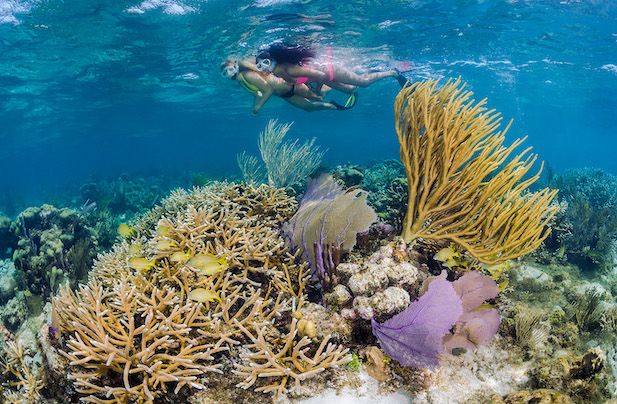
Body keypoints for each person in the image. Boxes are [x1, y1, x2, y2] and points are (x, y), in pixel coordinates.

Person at [255, 43, 407, 94]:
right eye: (259, 65)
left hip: (330, 71)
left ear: (272, 60)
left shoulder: (287, 69)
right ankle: (371, 72)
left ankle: (393, 72)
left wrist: (316, 89)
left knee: (364, 83)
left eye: (265, 63)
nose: (263, 68)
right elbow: (306, 78)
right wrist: (310, 85)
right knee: (351, 90)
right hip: (327, 77)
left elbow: (320, 75)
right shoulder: (279, 72)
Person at [221, 58, 349, 114]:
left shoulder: (247, 75)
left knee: (318, 96)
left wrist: (258, 106)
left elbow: (268, 89)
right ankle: (333, 106)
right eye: (225, 73)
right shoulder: (242, 81)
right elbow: (258, 93)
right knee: (309, 108)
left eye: (229, 69)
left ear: (235, 66)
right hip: (284, 94)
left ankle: (341, 81)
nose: (228, 73)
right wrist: (255, 105)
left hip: (290, 86)